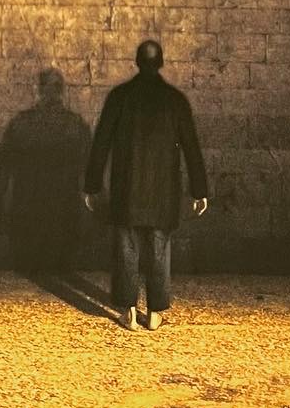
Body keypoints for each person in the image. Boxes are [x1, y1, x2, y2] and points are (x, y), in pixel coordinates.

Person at [83, 40, 208, 331]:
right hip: (163, 191)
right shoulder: (175, 100)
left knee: (126, 248)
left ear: (137, 62)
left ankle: (128, 310)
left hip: (127, 189)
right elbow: (191, 147)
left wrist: (92, 185)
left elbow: (102, 143)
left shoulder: (120, 97)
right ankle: (154, 312)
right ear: (160, 63)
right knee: (159, 249)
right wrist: (199, 190)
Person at [0, 69, 89, 276]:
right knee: (60, 268)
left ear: (39, 90)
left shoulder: (21, 124)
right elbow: (89, 167)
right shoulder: (75, 125)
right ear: (62, 91)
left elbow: (3, 167)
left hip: (29, 211)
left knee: (32, 269)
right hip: (63, 211)